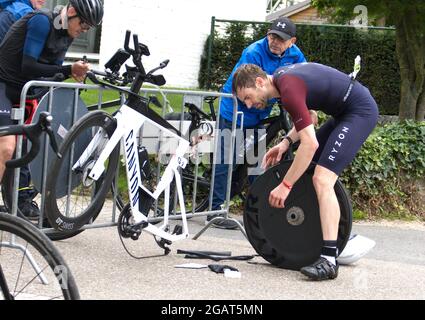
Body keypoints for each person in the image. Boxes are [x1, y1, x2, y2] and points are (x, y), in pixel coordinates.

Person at [232, 63, 378, 280]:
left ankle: (329, 259)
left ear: (259, 82)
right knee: (310, 170)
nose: (250, 105)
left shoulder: (288, 88)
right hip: (343, 113)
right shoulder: (282, 83)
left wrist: (285, 185)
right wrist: (286, 142)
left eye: (248, 97)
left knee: (322, 179)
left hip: (359, 112)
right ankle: (326, 240)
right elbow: (310, 115)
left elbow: (310, 144)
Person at [0, 0, 103, 217]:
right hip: (3, 84)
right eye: (83, 25)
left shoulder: (66, 34)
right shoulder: (41, 21)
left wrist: (72, 73)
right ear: (72, 11)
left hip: (26, 91)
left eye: (87, 30)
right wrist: (67, 70)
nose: (82, 32)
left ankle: (20, 199)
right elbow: (28, 66)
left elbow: (51, 72)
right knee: (7, 147)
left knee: (37, 143)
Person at [208, 17, 307, 229]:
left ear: (292, 41)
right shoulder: (254, 52)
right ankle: (215, 211)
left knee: (257, 161)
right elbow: (244, 86)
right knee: (227, 159)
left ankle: (259, 209)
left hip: (259, 113)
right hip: (235, 110)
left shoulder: (296, 55)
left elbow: (302, 77)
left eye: (281, 39)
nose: (274, 41)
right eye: (272, 36)